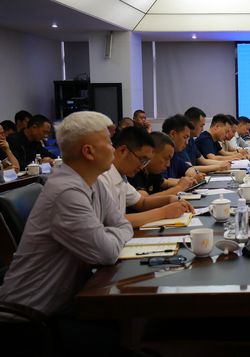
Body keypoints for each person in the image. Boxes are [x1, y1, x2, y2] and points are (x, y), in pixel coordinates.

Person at [0, 111, 133, 356]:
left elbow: (123, 225)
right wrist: (101, 239)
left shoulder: (93, 182)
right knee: (127, 336)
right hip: (31, 322)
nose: (114, 149)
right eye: (108, 142)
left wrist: (102, 236)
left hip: (63, 305)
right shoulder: (66, 192)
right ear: (89, 152)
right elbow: (106, 252)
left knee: (131, 323)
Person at [97, 127, 194, 228]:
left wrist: (169, 199)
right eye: (142, 160)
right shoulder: (102, 178)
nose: (142, 166)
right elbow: (113, 221)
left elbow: (142, 202)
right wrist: (163, 212)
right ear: (122, 150)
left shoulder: (121, 175)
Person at [128, 131, 198, 196]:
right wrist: (179, 188)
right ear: (151, 153)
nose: (168, 164)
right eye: (166, 158)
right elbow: (144, 200)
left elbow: (165, 183)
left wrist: (187, 182)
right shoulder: (134, 172)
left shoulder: (152, 171)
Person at [178, 107, 231, 173]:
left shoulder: (191, 140)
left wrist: (224, 163)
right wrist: (218, 166)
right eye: (201, 126)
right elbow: (189, 168)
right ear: (191, 124)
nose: (202, 129)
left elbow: (204, 161)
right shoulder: (180, 142)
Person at [161, 114, 206, 183]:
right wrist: (191, 180)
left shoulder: (174, 155)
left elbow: (188, 168)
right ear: (173, 134)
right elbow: (163, 182)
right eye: (185, 137)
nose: (187, 142)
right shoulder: (159, 153)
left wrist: (192, 174)